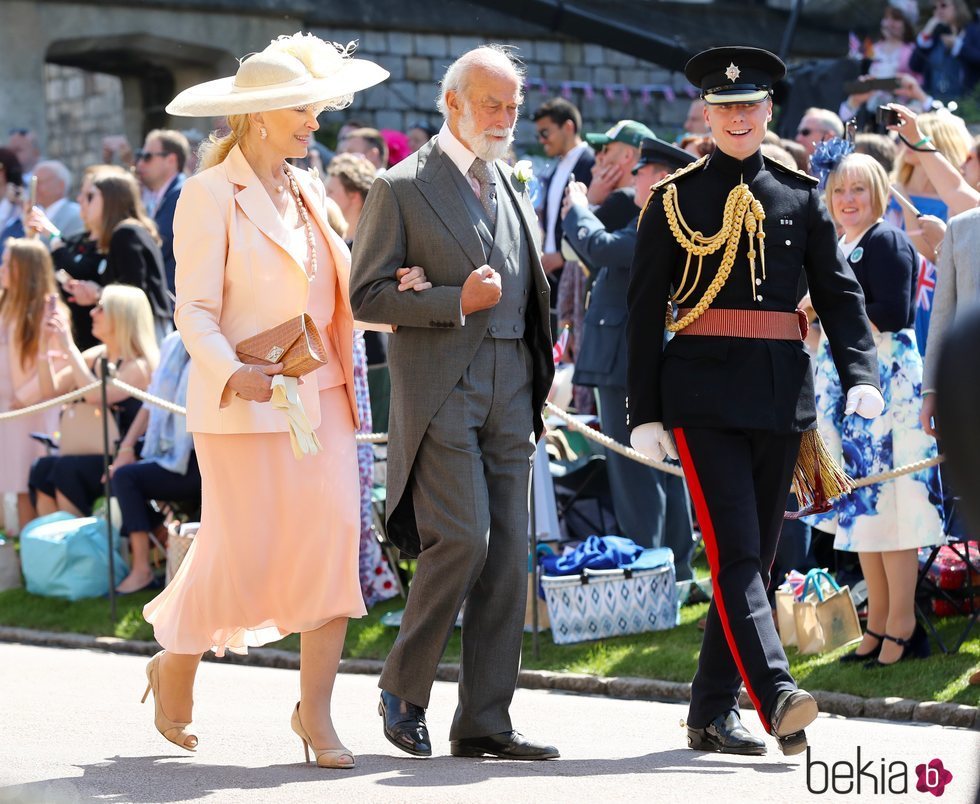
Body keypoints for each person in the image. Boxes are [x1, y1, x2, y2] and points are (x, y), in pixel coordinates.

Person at [140, 31, 389, 767]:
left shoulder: (310, 188)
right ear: (257, 116)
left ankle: (314, 715)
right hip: (244, 404)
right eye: (302, 111)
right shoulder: (207, 194)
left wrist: (404, 296)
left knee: (333, 547)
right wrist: (231, 372)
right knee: (237, 552)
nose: (315, 122)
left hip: (326, 399)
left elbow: (340, 295)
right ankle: (176, 660)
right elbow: (194, 311)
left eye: (316, 110)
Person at [626, 47, 882, 757]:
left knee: (755, 563)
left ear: (769, 111)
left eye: (751, 106)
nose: (738, 117)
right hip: (702, 399)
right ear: (706, 114)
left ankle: (709, 712)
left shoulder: (801, 194)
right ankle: (775, 694)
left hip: (780, 401)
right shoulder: (673, 199)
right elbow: (646, 309)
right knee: (737, 554)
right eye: (725, 107)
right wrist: (642, 412)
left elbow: (839, 293)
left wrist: (861, 371)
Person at [350, 44, 558, 761]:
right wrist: (450, 301)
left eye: (512, 105)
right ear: (453, 104)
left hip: (515, 390)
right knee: (464, 539)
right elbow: (366, 296)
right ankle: (403, 690)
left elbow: (531, 289)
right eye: (491, 104)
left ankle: (484, 722)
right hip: (441, 388)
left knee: (507, 557)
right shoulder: (399, 186)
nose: (504, 117)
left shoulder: (511, 183)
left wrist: (542, 369)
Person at [808, 152, 943, 666]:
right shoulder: (840, 244)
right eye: (840, 190)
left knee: (895, 510)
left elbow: (895, 311)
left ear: (878, 195)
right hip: (852, 388)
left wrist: (828, 310)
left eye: (858, 191)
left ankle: (903, 625)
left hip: (888, 390)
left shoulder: (886, 241)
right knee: (863, 510)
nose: (847, 200)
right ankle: (879, 621)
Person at [560, 135, 696, 577]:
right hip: (632, 356)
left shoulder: (656, 221)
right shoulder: (661, 219)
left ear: (659, 179)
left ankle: (649, 568)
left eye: (641, 171)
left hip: (626, 361)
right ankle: (672, 568)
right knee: (663, 467)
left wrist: (577, 206)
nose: (634, 178)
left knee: (636, 470)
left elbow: (599, 248)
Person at [29, 284, 158, 517]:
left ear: (121, 316)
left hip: (123, 457)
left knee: (66, 470)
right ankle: (55, 548)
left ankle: (77, 546)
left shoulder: (140, 365)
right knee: (42, 469)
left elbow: (97, 396)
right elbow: (50, 391)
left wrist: (69, 346)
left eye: (100, 308)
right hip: (90, 454)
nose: (91, 313)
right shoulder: (95, 356)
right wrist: (43, 344)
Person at [29, 168, 174, 343]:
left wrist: (97, 294)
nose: (82, 201)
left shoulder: (127, 233)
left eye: (91, 196)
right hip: (130, 335)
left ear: (111, 199)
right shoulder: (120, 235)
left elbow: (134, 293)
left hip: (142, 336)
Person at [108, 331, 201, 594]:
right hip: (173, 450)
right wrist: (126, 449)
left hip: (203, 457)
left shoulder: (220, 335)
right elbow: (152, 402)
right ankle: (160, 538)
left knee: (126, 478)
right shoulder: (172, 342)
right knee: (121, 472)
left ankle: (142, 569)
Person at [0, 239, 69, 529]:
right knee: (12, 486)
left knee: (30, 486)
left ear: (24, 271)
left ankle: (33, 556)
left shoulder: (49, 311)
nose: (2, 269)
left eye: (8, 264)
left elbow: (62, 365)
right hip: (8, 412)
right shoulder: (7, 304)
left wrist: (25, 396)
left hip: (33, 412)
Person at [531, 98, 595, 279]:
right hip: (552, 271)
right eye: (539, 135)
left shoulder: (592, 163)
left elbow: (596, 217)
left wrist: (563, 255)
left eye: (545, 132)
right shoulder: (556, 167)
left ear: (568, 127)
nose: (542, 140)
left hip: (577, 270)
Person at [134, 129, 190, 295]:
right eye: (139, 155)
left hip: (175, 299)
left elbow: (158, 243)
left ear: (171, 160)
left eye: (147, 157)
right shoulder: (155, 194)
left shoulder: (182, 194)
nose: (140, 164)